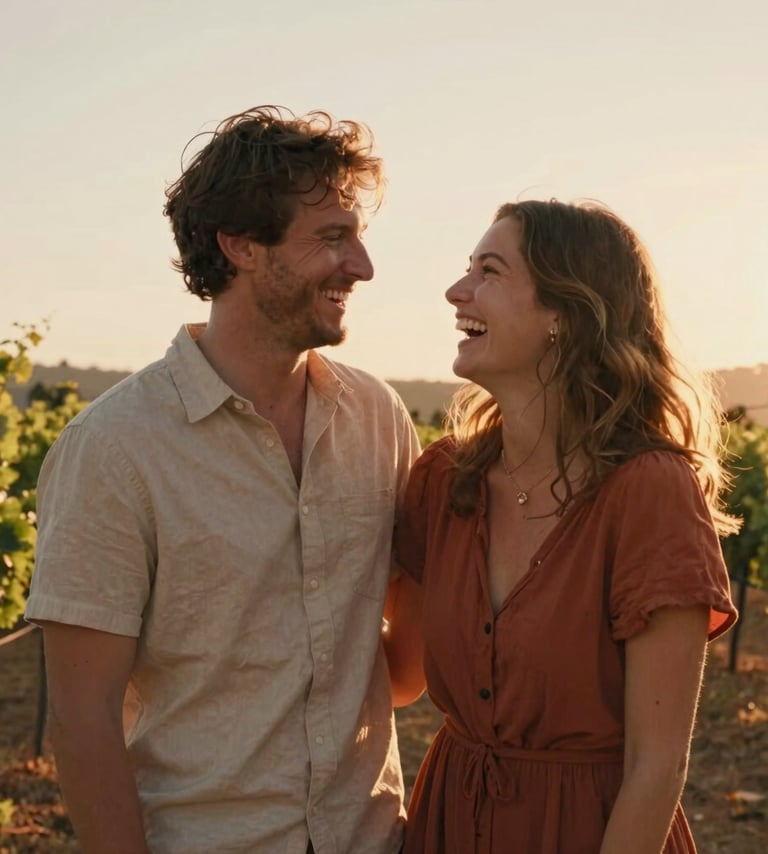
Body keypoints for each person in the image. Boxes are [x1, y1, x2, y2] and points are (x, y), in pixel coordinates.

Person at [25, 106, 420, 854]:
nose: (362, 267)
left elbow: (401, 678)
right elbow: (83, 717)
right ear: (239, 245)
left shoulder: (379, 419)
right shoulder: (113, 450)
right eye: (332, 238)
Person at [387, 199, 738, 853]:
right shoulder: (444, 482)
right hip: (450, 827)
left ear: (564, 314)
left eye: (488, 271)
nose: (456, 290)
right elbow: (399, 676)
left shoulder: (650, 492)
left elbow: (656, 768)